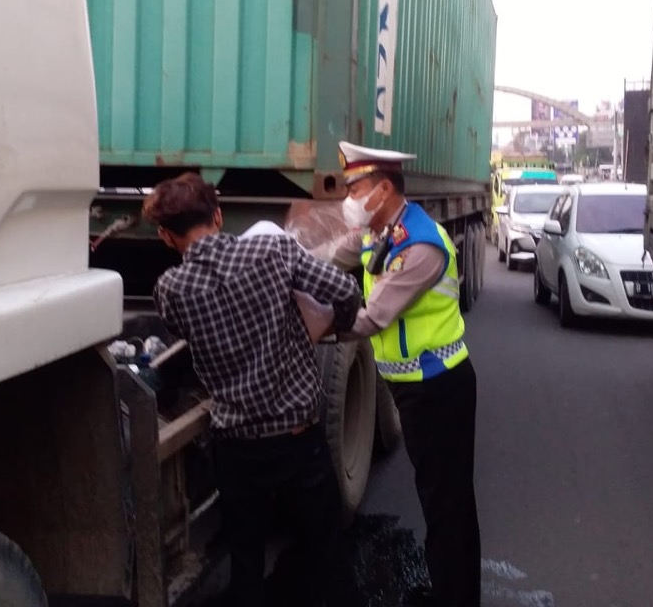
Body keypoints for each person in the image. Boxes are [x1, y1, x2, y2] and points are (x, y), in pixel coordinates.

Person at [142, 172, 361, 607]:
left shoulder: (169, 291)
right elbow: (346, 291)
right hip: (300, 441)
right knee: (328, 552)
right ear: (219, 216)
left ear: (166, 236)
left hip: (237, 448)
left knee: (246, 564)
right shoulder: (271, 249)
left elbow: (181, 333)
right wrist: (324, 326)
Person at [327, 141, 481, 607]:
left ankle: (455, 598)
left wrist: (310, 326)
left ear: (383, 188)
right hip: (413, 389)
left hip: (439, 389)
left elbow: (373, 317)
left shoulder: (420, 245)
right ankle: (449, 588)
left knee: (446, 503)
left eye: (355, 188)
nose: (348, 198)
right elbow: (332, 255)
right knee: (437, 495)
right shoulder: (380, 230)